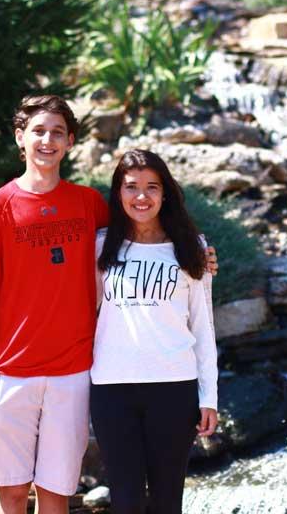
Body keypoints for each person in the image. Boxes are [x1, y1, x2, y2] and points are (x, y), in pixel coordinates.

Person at [0, 95, 218, 514]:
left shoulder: (88, 206)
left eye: (57, 132)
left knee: (56, 494)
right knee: (8, 494)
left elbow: (143, 233)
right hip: (10, 373)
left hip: (75, 374)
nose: (48, 140)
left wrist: (198, 256)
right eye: (38, 131)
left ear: (71, 142)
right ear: (20, 138)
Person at [90, 149, 218, 514]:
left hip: (174, 389)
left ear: (165, 194)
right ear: (118, 193)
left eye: (152, 187)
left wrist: (209, 396)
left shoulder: (192, 249)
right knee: (126, 503)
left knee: (166, 501)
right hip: (112, 389)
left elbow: (203, 325)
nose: (141, 197)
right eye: (131, 187)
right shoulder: (100, 246)